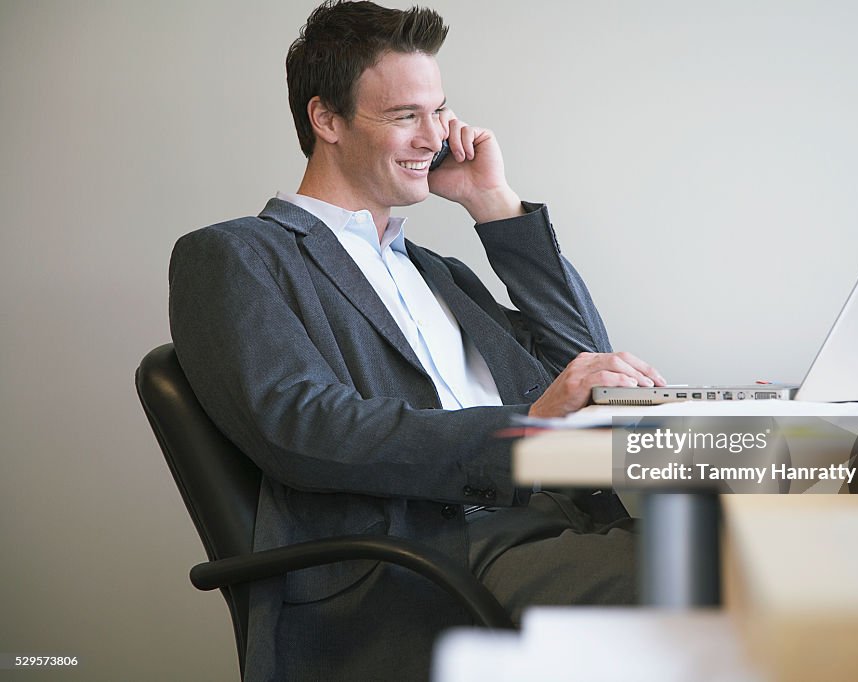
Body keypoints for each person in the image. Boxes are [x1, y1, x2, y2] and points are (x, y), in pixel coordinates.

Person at [169, 1, 665, 679]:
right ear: (327, 120)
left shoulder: (437, 272)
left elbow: (584, 366)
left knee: (755, 552)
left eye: (439, 112)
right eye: (406, 116)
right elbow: (300, 426)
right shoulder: (239, 256)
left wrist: (496, 207)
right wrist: (523, 432)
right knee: (730, 589)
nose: (434, 137)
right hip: (430, 561)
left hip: (563, 521)